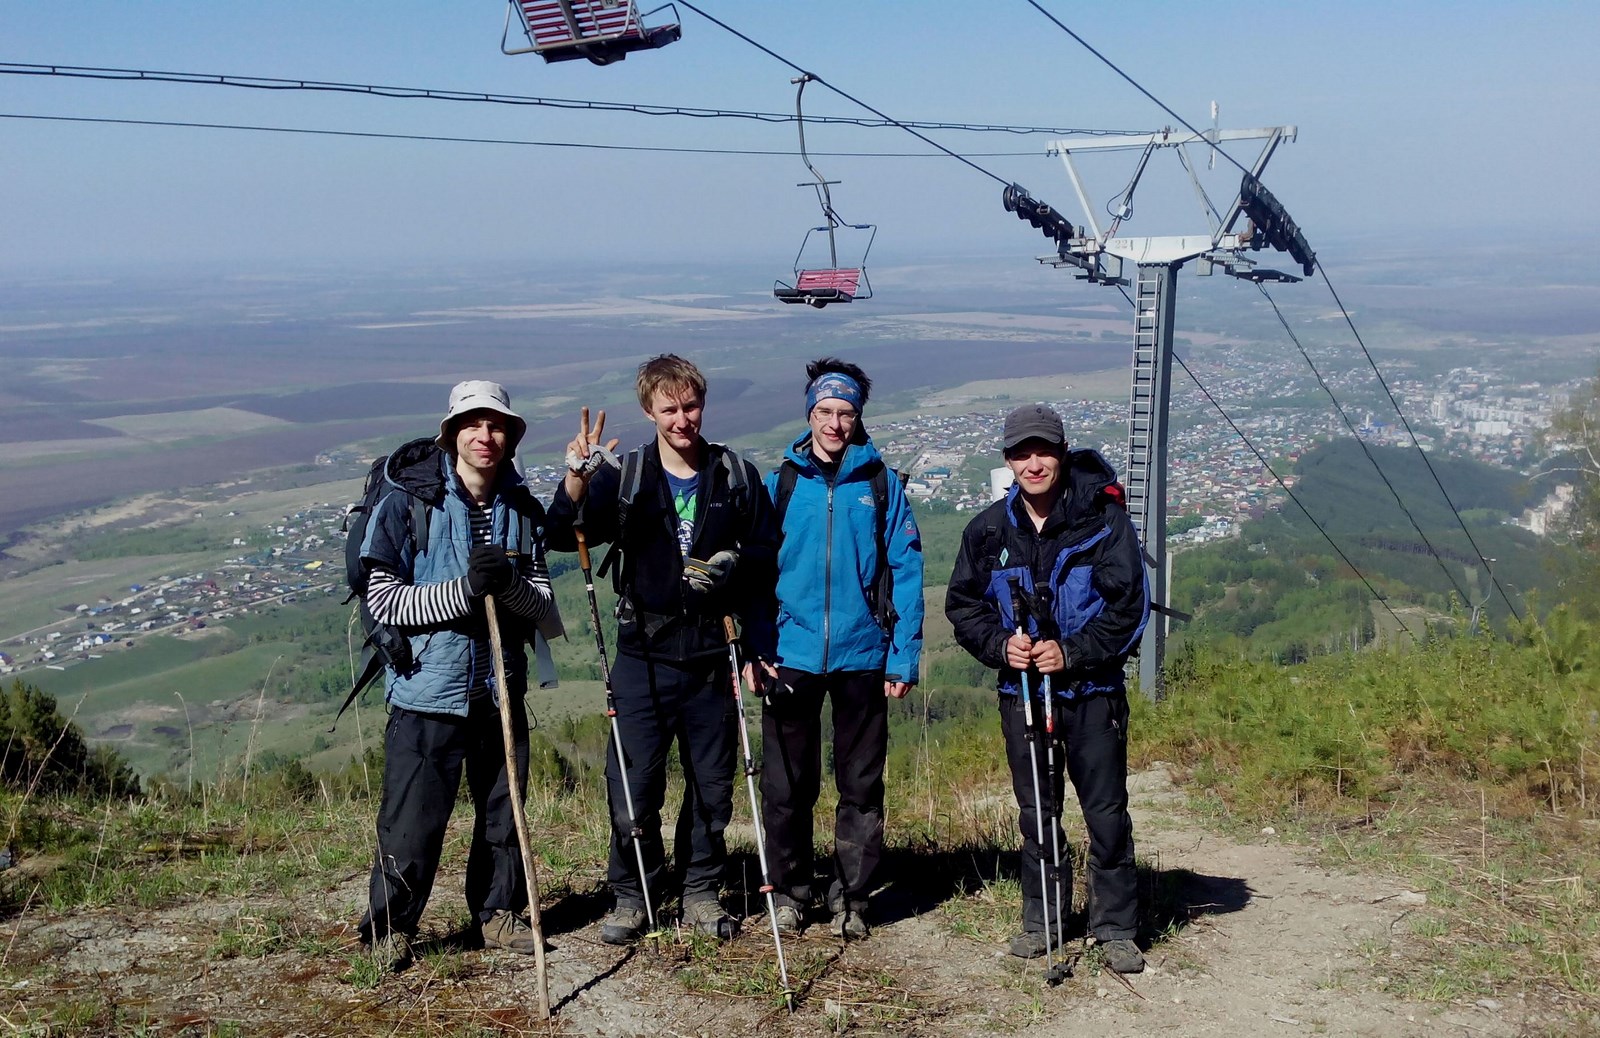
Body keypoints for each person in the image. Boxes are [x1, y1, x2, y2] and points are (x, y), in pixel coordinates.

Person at [546, 354, 778, 945]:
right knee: (633, 787)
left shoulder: (734, 475)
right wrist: (577, 475)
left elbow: (766, 557)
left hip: (711, 655)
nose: (682, 419)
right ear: (649, 410)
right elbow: (561, 533)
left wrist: (735, 571)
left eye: (691, 406)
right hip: (642, 654)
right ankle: (634, 895)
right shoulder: (624, 477)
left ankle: (700, 892)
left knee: (712, 787)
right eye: (669, 408)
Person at [357, 380, 561, 971]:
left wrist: (509, 585)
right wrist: (466, 590)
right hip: (426, 690)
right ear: (451, 434)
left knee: (504, 813)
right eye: (473, 424)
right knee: (411, 822)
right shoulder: (407, 504)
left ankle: (498, 914)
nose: (485, 436)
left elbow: (544, 609)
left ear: (510, 437)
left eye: (496, 426)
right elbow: (385, 602)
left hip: (499, 689)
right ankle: (389, 930)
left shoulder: (522, 510)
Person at [944, 403, 1150, 974]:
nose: (1033, 464)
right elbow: (963, 606)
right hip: (1023, 695)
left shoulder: (1103, 522)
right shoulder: (988, 530)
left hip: (1092, 693)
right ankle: (1044, 922)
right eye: (1021, 454)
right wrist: (999, 646)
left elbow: (1129, 607)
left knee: (1105, 813)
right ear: (1008, 461)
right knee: (1038, 811)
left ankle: (1115, 929)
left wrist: (1073, 652)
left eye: (1043, 451)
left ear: (1061, 453)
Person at [755, 358, 923, 939]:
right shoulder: (781, 484)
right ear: (809, 414)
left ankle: (852, 896)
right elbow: (757, 573)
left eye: (845, 413)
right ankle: (790, 892)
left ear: (858, 417)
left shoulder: (882, 484)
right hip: (790, 653)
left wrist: (903, 655)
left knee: (861, 786)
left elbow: (906, 570)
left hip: (863, 653)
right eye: (824, 411)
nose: (834, 423)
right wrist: (756, 648)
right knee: (786, 786)